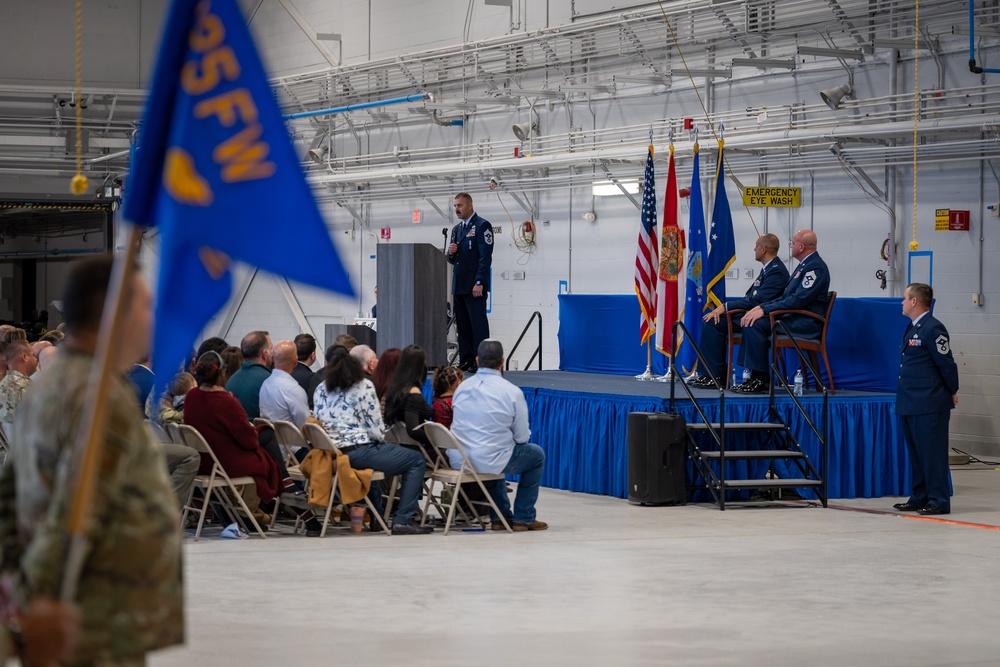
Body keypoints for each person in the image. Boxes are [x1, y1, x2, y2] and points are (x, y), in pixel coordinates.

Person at [0, 256, 183, 663]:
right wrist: (46, 601)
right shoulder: (95, 395)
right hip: (93, 606)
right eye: (144, 307)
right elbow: (72, 505)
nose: (151, 320)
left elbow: (12, 492)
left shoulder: (59, 383)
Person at [312, 346, 431, 535]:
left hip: (330, 454)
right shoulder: (364, 386)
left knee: (373, 463)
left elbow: (318, 417)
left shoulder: (321, 388)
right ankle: (402, 520)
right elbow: (376, 429)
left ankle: (378, 518)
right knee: (416, 460)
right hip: (358, 451)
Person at [450, 339, 547, 531]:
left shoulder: (462, 388)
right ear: (503, 361)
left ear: (477, 360)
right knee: (536, 455)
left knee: (495, 449)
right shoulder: (512, 392)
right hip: (489, 458)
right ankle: (523, 517)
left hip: (459, 459)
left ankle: (499, 517)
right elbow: (522, 438)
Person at [183, 351, 287, 524]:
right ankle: (247, 513)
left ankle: (242, 510)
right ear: (221, 373)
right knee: (263, 461)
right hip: (222, 463)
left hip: (202, 460)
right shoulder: (225, 401)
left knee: (262, 443)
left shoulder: (191, 396)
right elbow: (248, 440)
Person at [732, 230, 831, 393]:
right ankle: (755, 377)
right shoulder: (805, 265)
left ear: (801, 246)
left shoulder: (815, 267)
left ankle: (761, 380)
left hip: (804, 322)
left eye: (792, 243)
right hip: (793, 317)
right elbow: (786, 297)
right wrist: (761, 308)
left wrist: (764, 309)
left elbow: (798, 299)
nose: (790, 246)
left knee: (754, 324)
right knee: (753, 319)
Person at [893, 283, 960, 516]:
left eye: (904, 298)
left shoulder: (933, 328)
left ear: (914, 302)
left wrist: (953, 390)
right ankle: (920, 496)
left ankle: (939, 500)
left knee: (932, 455)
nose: (901, 302)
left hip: (930, 403)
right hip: (912, 402)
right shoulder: (913, 327)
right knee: (917, 455)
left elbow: (947, 363)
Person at [688, 234, 789, 388]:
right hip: (751, 314)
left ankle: (756, 378)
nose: (754, 249)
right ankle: (712, 374)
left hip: (765, 318)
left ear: (764, 249)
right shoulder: (768, 269)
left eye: (756, 246)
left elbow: (757, 300)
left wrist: (725, 307)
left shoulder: (777, 271)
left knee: (725, 321)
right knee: (713, 322)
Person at [447, 192, 494, 373]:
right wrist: (450, 253)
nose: (457, 209)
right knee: (464, 327)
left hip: (474, 285)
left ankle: (481, 362)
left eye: (460, 205)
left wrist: (480, 281)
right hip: (459, 285)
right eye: (455, 206)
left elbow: (485, 257)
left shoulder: (482, 226)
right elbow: (452, 260)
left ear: (470, 206)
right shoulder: (457, 230)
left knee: (478, 325)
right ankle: (466, 360)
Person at [384, 344, 433, 446]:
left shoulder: (394, 389)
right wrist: (434, 442)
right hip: (419, 447)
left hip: (401, 443)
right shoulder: (412, 393)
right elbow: (413, 430)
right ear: (420, 366)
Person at [260, 340, 312, 428]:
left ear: (272, 358)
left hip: (270, 437)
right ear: (295, 361)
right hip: (294, 441)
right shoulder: (294, 390)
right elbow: (307, 426)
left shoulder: (265, 384)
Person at [226, 331, 273, 420]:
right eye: (271, 349)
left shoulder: (231, 380)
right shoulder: (269, 381)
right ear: (264, 354)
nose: (272, 353)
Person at [0, 340, 37, 435]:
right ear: (24, 357)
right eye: (33, 355)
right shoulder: (21, 387)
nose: (36, 359)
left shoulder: (5, 384)